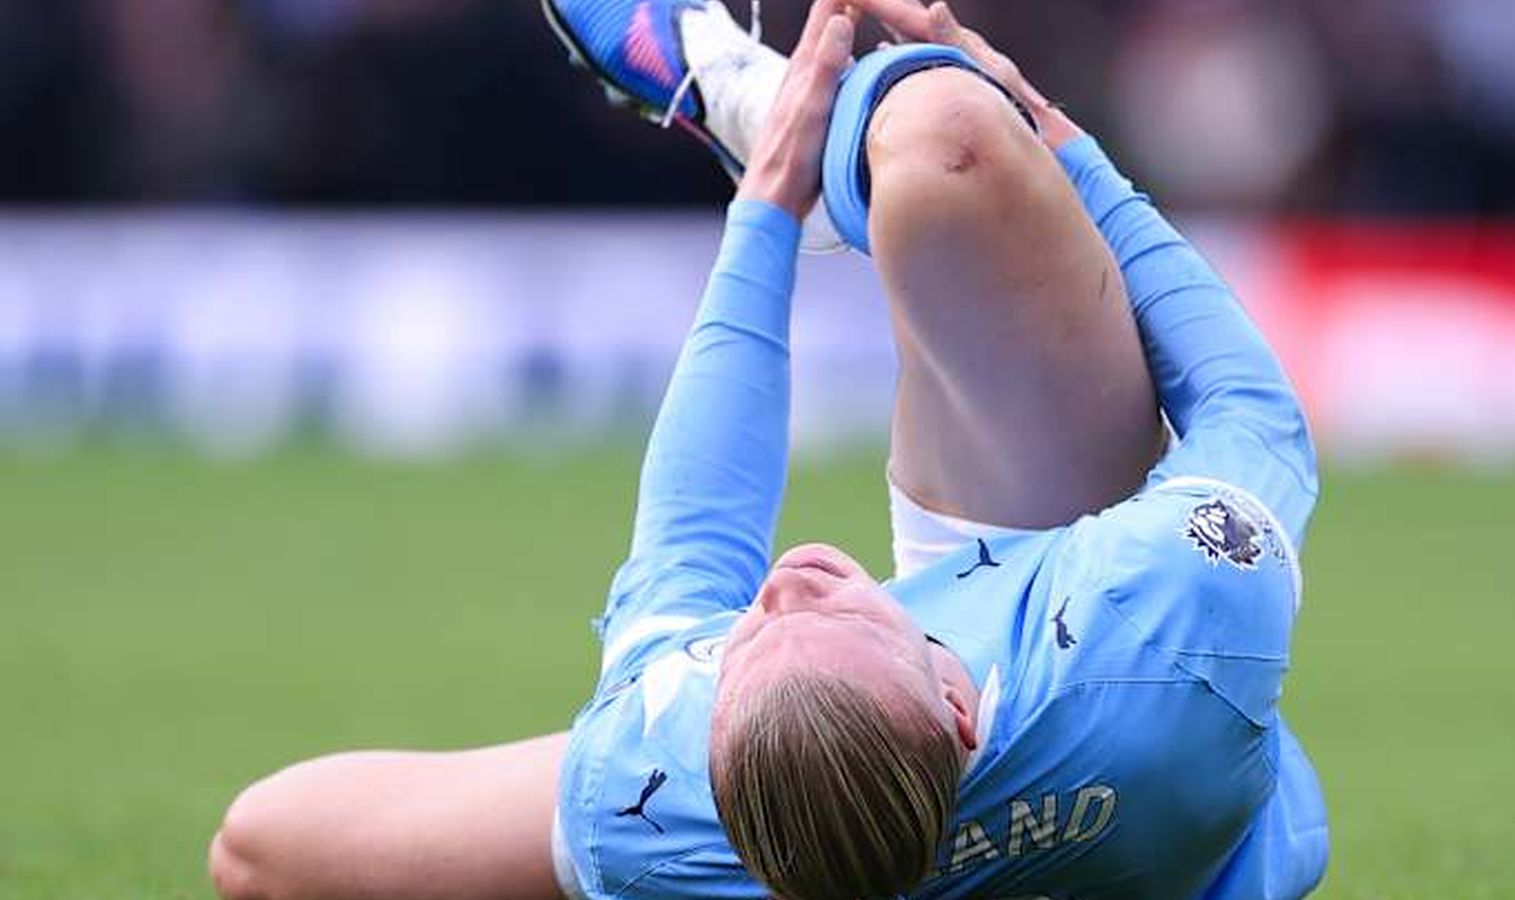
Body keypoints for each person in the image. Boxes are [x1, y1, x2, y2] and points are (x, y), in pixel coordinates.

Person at [207, 0, 1329, 898]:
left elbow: (698, 540)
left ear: (720, 760)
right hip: (1085, 676)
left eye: (744, 639)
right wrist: (1062, 138)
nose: (782, 588)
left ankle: (737, 94)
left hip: (836, 794)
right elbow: (1248, 407)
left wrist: (768, 200)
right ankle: (779, 99)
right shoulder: (1161, 628)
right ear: (956, 700)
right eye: (832, 613)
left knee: (261, 847)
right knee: (951, 134)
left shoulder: (651, 803)